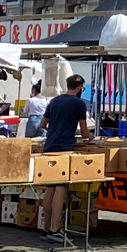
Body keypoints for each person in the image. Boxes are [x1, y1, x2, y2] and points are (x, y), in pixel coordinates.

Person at [39, 75, 91, 240]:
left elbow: (42, 125)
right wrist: (89, 136)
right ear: (80, 87)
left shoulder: (54, 101)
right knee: (60, 187)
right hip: (63, 148)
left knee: (50, 188)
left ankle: (46, 229)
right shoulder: (78, 104)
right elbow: (84, 131)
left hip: (49, 146)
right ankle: (55, 229)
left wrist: (55, 132)